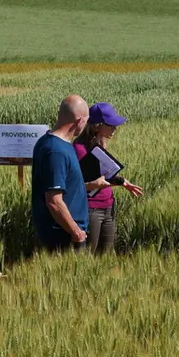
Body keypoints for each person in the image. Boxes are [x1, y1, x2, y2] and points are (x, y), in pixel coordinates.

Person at [31, 95, 110, 252]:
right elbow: (54, 201)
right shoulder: (56, 151)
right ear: (79, 121)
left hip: (67, 232)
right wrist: (76, 232)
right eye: (86, 121)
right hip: (63, 236)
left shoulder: (52, 143)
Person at [74, 102, 144, 253]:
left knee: (105, 256)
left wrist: (122, 181)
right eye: (111, 125)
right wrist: (94, 185)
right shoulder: (80, 149)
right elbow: (75, 185)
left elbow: (104, 175)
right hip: (90, 209)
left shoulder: (101, 144)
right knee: (88, 257)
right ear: (97, 126)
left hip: (108, 206)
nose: (115, 129)